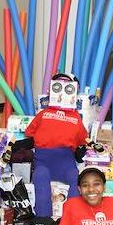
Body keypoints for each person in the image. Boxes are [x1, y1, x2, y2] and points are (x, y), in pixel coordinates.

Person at [24, 73, 89, 217]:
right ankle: (57, 218)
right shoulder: (73, 118)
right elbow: (82, 140)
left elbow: (29, 133)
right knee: (66, 178)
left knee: (47, 177)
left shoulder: (45, 114)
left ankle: (59, 218)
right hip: (57, 162)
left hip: (56, 162)